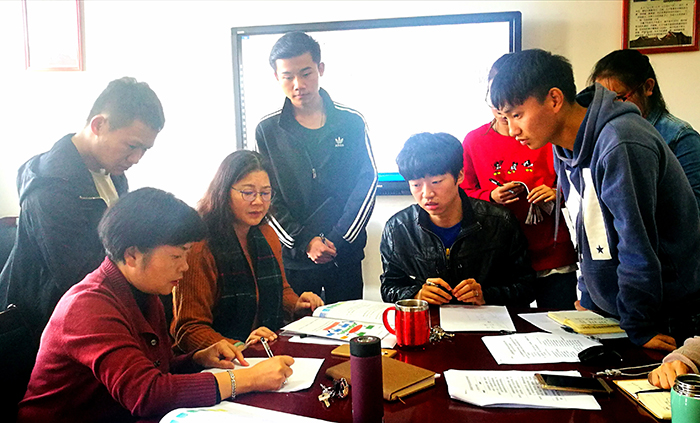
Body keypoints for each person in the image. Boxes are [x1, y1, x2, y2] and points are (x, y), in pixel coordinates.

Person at [17, 188, 294, 423]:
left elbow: (154, 370)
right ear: (132, 255)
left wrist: (197, 359)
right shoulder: (88, 306)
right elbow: (146, 393)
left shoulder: (143, 291)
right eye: (176, 256)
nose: (185, 267)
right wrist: (247, 379)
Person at [489, 49, 700, 351]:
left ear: (554, 99)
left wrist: (639, 325)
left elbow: (636, 242)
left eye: (517, 115)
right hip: (617, 313)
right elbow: (585, 227)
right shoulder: (564, 146)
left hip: (661, 315)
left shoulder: (621, 140)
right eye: (504, 118)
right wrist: (590, 299)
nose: (512, 131)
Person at [0, 77, 165, 345]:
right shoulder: (50, 188)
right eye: (132, 146)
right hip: (46, 328)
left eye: (144, 149)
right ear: (98, 125)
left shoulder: (112, 171)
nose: (136, 158)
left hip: (95, 313)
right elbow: (81, 276)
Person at [256, 32, 377, 304]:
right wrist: (305, 241)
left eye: (306, 73)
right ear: (276, 77)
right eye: (287, 76)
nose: (298, 85)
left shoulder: (351, 121)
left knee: (348, 326)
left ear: (320, 69)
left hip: (344, 253)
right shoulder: (267, 130)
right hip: (297, 257)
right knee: (297, 325)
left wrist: (338, 239)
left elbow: (367, 182)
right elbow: (267, 194)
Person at [171, 150, 324, 353]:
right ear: (224, 192)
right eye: (248, 193)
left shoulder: (267, 234)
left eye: (265, 193)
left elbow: (281, 290)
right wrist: (239, 347)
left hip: (265, 348)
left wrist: (297, 305)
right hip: (221, 360)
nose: (258, 201)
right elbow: (189, 328)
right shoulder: (199, 246)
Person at [462, 54, 578, 309]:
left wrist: (556, 193)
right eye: (494, 99)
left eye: (515, 110)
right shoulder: (474, 141)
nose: (512, 127)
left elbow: (578, 185)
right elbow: (464, 192)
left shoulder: (547, 132)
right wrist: (490, 197)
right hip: (501, 256)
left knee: (558, 324)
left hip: (552, 252)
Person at [380, 132, 536, 306]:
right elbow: (389, 287)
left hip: (484, 319)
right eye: (416, 185)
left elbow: (527, 287)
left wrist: (486, 295)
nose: (427, 194)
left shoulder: (499, 222)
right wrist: (416, 295)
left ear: (460, 175)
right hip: (430, 320)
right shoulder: (398, 228)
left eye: (436, 182)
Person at [590, 49, 700, 209]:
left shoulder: (680, 137)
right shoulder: (606, 135)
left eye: (618, 98)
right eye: (601, 101)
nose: (608, 108)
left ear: (648, 87)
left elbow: (694, 209)